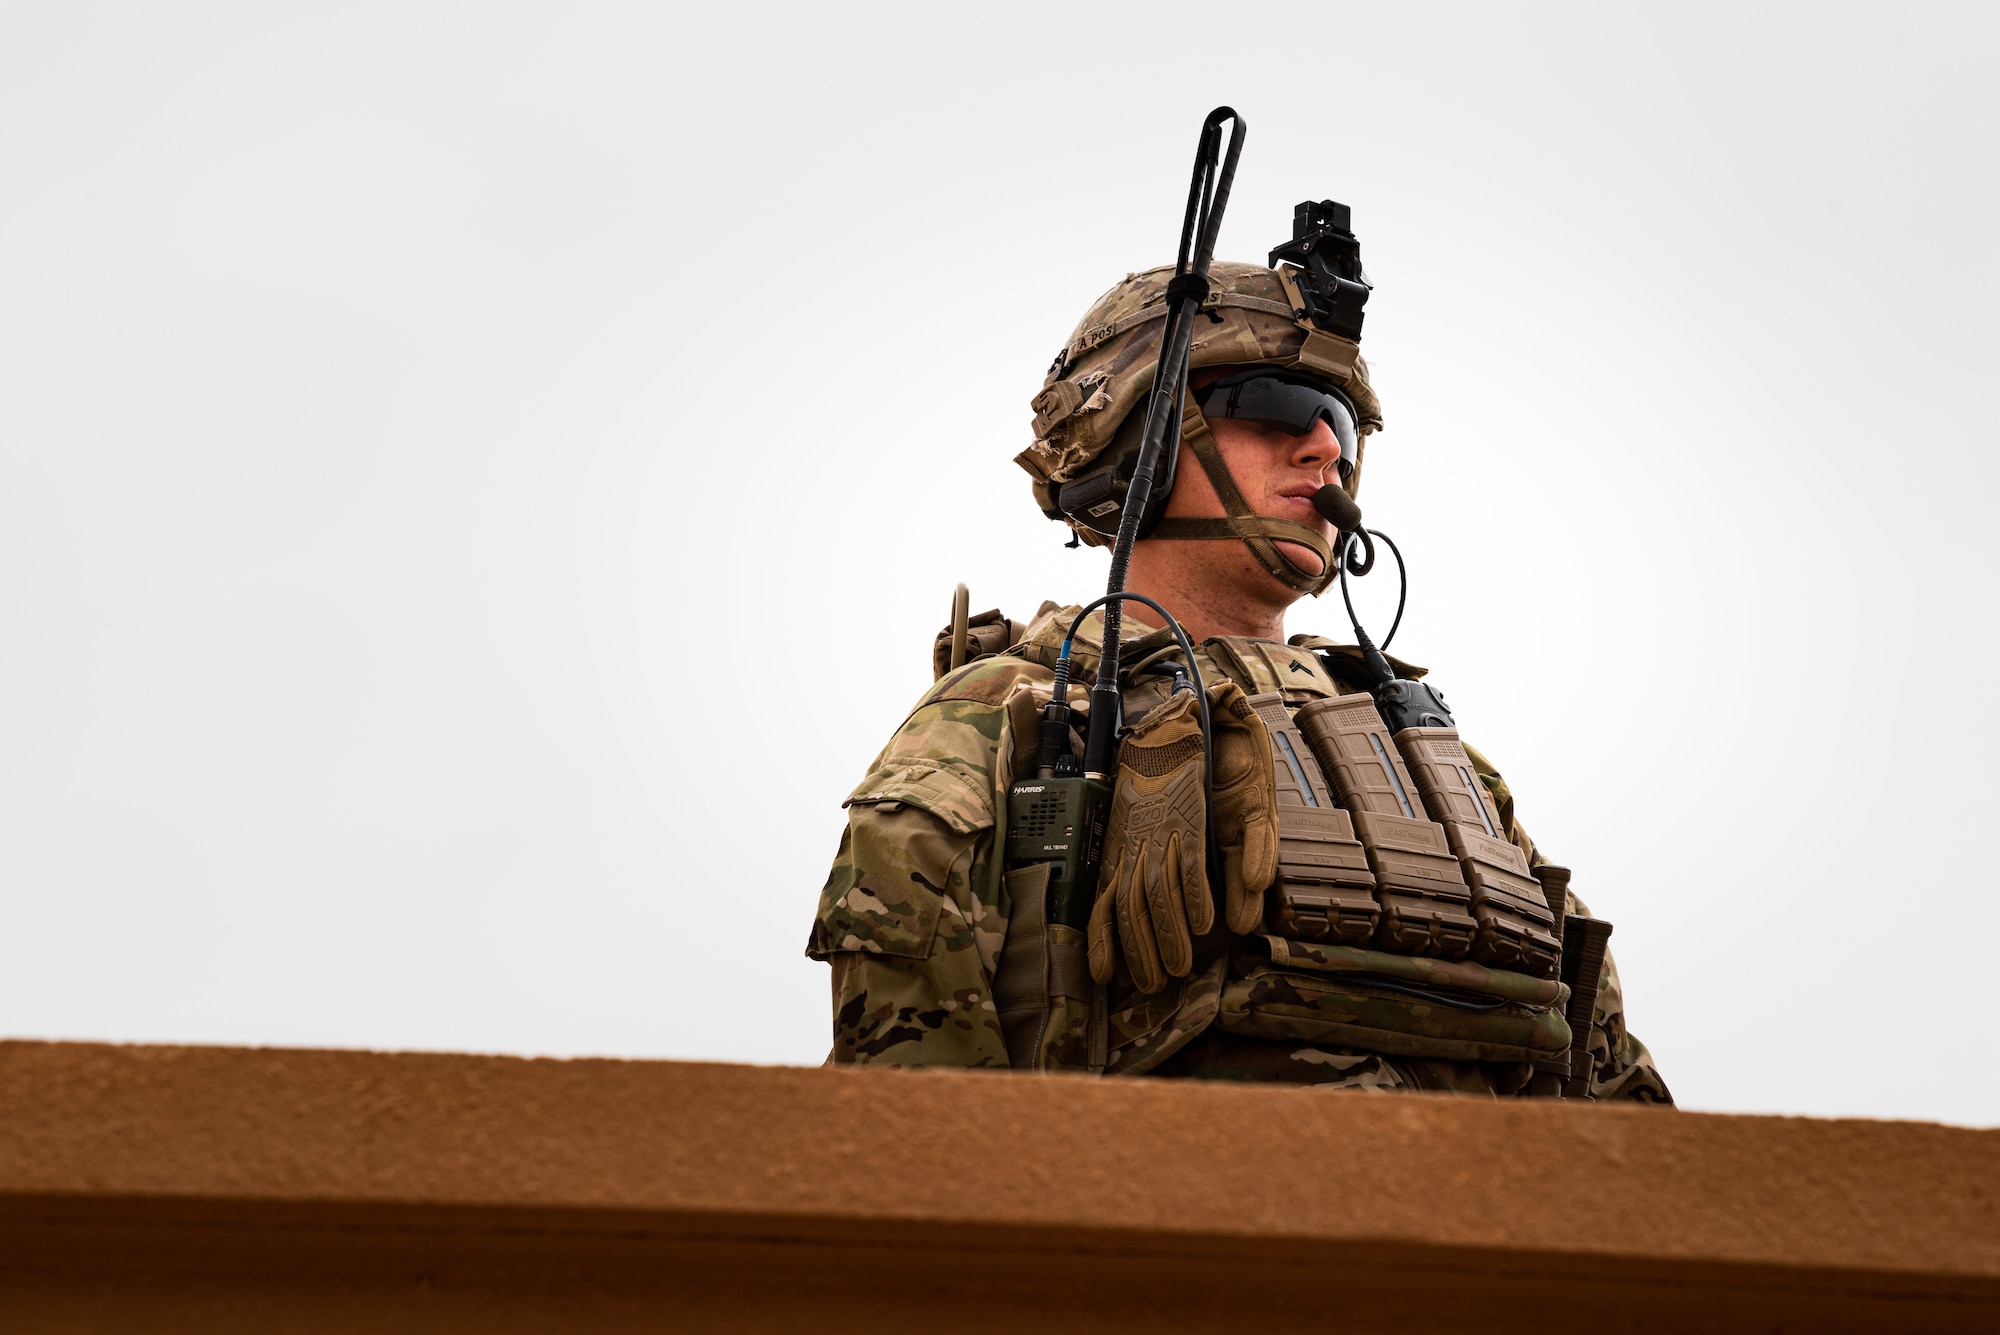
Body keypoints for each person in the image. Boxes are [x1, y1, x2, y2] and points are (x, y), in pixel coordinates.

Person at [805, 258, 1671, 1101]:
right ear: (1137, 434)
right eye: (1276, 405)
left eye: (1341, 419)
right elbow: (910, 1117)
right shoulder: (1008, 717)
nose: (1326, 447)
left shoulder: (1437, 756)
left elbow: (1612, 1096)